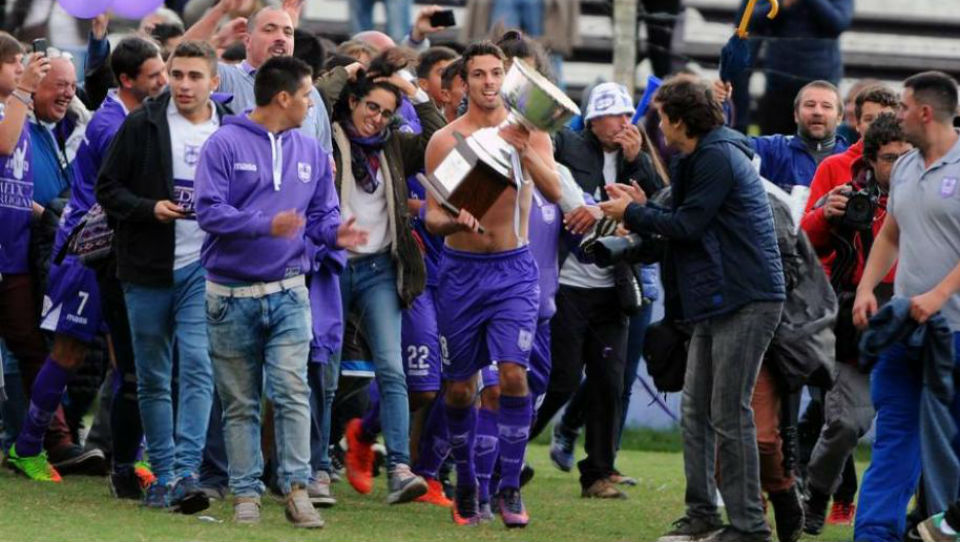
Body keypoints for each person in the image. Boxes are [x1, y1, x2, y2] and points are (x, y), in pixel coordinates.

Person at [599, 77, 785, 542]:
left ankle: (749, 528)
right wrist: (643, 215)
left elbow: (686, 225)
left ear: (679, 120)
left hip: (746, 298)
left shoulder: (717, 157)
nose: (659, 127)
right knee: (698, 411)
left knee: (728, 412)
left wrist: (632, 215)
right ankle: (703, 514)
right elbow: (679, 224)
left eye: (662, 117)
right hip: (715, 301)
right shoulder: (700, 157)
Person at [194, 55, 367, 527]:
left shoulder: (311, 151)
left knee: (292, 392)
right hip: (228, 298)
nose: (312, 103)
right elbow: (208, 212)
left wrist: (336, 234)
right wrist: (264, 224)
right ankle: (245, 492)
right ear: (284, 97)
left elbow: (322, 215)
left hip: (291, 292)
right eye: (308, 94)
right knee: (241, 401)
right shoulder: (224, 143)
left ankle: (296, 488)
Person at [424, 41, 562, 527]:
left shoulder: (528, 130)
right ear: (463, 83)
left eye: (495, 73)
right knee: (459, 388)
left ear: (506, 78)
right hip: (461, 272)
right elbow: (432, 213)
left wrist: (529, 152)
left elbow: (554, 191)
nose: (487, 82)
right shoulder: (446, 140)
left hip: (513, 270)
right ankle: (465, 479)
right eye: (478, 74)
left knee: (512, 375)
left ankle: (508, 487)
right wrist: (452, 221)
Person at [96, 40, 234, 514]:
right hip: (146, 268)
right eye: (177, 75)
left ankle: (187, 475)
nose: (184, 85)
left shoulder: (228, 131)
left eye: (195, 76)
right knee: (153, 376)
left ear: (214, 82)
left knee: (197, 366)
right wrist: (149, 208)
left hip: (205, 267)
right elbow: (107, 189)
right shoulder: (142, 125)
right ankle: (163, 472)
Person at [319, 50, 442, 506]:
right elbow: (314, 98)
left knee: (392, 369)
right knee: (325, 373)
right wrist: (350, 72)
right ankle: (315, 469)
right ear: (352, 101)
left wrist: (409, 87)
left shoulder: (394, 144)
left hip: (378, 269)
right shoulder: (325, 136)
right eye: (371, 106)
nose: (377, 118)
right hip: (331, 267)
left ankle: (399, 469)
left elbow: (436, 135)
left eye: (387, 112)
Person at [531, 81, 663, 499]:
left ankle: (599, 473)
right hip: (568, 283)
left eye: (627, 114)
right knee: (562, 379)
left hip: (615, 285)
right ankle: (506, 447)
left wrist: (637, 160)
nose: (623, 123)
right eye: (612, 115)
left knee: (609, 380)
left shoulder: (635, 157)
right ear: (592, 118)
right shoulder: (567, 145)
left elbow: (661, 204)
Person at [852, 71, 960, 542]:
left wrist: (939, 294)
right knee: (894, 435)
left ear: (925, 112)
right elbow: (891, 232)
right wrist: (866, 287)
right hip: (904, 329)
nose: (896, 115)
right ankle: (874, 534)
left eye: (902, 107)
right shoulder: (906, 167)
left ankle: (944, 528)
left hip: (954, 332)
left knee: (950, 445)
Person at [800, 113, 911, 534]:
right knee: (847, 423)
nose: (898, 166)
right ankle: (818, 491)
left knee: (915, 429)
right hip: (854, 316)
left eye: (907, 156)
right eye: (889, 158)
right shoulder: (845, 185)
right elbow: (805, 240)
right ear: (869, 158)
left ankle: (919, 515)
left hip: (911, 313)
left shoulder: (929, 191)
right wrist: (827, 214)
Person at [183, 3, 332, 152]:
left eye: (288, 32)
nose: (281, 38)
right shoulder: (224, 77)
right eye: (269, 30)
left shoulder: (311, 93)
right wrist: (218, 31)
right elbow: (181, 61)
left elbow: (325, 158)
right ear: (247, 41)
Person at [744, 0, 854, 135]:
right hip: (779, 81)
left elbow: (839, 23)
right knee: (774, 143)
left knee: (820, 145)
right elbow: (752, 18)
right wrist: (783, 5)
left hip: (822, 81)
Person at [805, 85, 899, 215]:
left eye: (885, 119)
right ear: (858, 125)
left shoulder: (909, 165)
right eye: (869, 119)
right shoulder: (832, 166)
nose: (877, 126)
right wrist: (823, 213)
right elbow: (805, 229)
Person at [750, 80, 848, 189]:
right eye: (810, 105)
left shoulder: (854, 160)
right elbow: (731, 143)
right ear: (796, 114)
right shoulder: (769, 149)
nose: (818, 112)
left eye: (826, 106)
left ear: (839, 117)